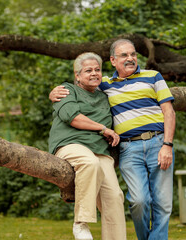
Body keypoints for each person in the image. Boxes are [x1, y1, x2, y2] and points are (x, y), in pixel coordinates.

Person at [50, 39, 176, 240]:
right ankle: (84, 223)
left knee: (143, 200)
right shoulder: (87, 87)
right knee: (138, 200)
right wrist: (53, 93)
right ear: (113, 60)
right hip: (110, 147)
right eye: (124, 55)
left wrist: (167, 144)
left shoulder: (145, 79)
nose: (130, 58)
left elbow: (168, 111)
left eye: (133, 54)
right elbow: (74, 107)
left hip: (150, 144)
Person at [49, 52, 126, 240]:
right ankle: (81, 223)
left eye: (97, 70)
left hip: (100, 151)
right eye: (88, 70)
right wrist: (103, 129)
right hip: (71, 145)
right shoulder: (68, 90)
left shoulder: (104, 97)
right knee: (89, 163)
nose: (94, 73)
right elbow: (72, 117)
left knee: (114, 197)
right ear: (77, 75)